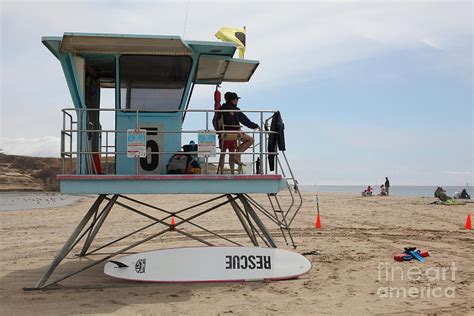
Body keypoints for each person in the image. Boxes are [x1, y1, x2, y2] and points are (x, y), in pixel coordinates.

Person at [219, 92, 259, 165]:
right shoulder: (235, 109)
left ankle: (221, 171)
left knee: (223, 153)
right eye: (237, 99)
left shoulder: (221, 108)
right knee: (251, 140)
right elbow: (245, 121)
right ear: (233, 100)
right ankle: (237, 155)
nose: (237, 101)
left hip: (223, 132)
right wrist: (255, 126)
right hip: (234, 132)